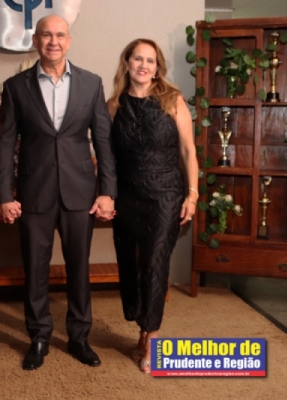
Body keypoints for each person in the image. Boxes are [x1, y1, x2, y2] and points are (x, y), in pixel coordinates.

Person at [0, 15, 117, 371]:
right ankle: (39, 336)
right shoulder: (15, 87)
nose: (53, 41)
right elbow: (4, 145)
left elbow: (103, 142)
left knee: (79, 268)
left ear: (69, 40)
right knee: (35, 268)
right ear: (35, 41)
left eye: (60, 35)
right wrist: (3, 194)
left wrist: (107, 191)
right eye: (46, 35)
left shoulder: (91, 83)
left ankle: (79, 336)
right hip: (34, 191)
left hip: (81, 191)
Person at [107, 38, 199, 373]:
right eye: (138, 59)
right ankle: (142, 331)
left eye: (150, 60)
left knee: (155, 263)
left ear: (157, 67)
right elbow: (108, 157)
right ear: (127, 63)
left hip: (166, 195)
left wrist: (192, 195)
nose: (144, 65)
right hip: (128, 196)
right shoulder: (113, 106)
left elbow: (188, 151)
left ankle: (153, 337)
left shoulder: (173, 101)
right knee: (132, 265)